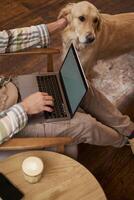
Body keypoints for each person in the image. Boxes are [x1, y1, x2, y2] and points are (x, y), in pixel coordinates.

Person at [0, 18, 133, 159]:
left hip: (10, 88)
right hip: (11, 123)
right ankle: (123, 141)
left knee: (79, 84)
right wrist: (25, 108)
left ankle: (129, 130)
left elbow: (8, 39)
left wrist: (59, 24)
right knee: (86, 125)